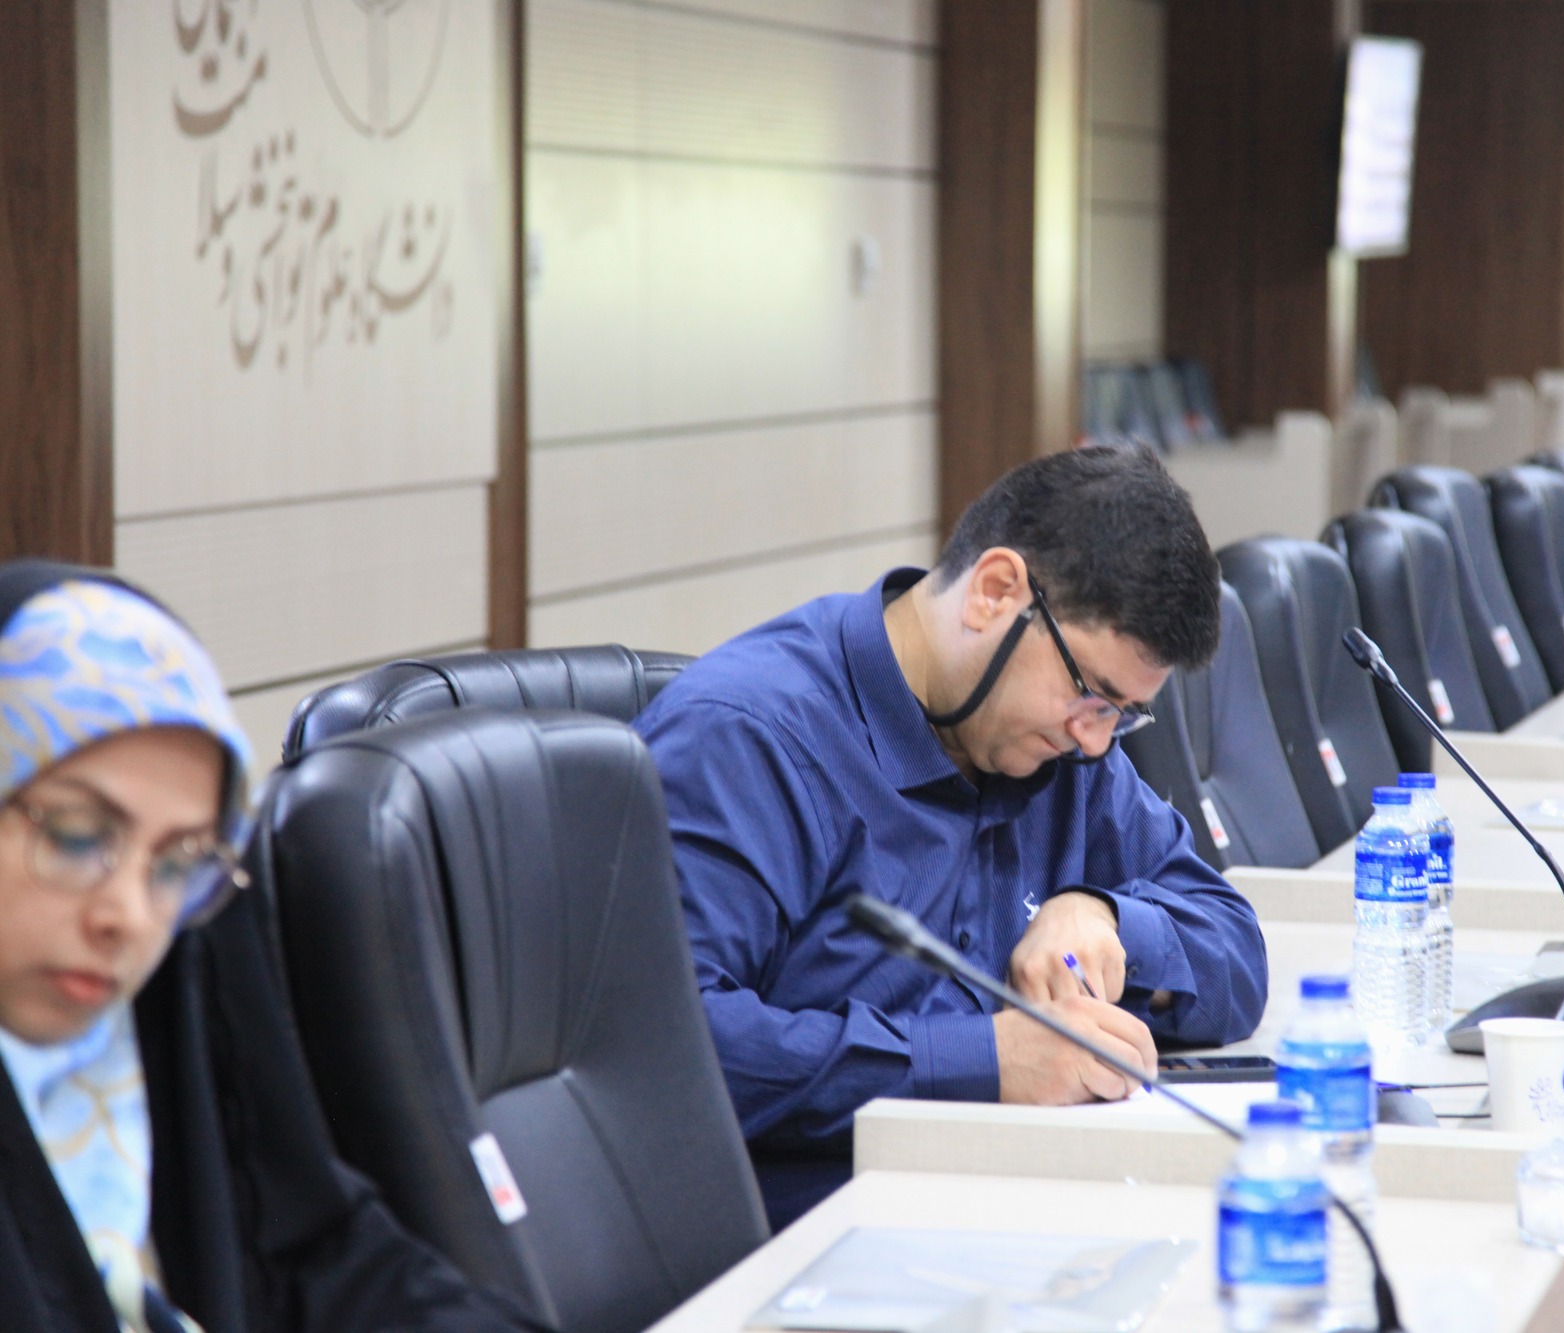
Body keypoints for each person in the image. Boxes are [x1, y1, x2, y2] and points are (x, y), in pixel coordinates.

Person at [636, 446, 1269, 1226]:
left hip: (1028, 1211)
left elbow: (1236, 948)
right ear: (997, 591)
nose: (1098, 740)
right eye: (1094, 695)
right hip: (814, 1234)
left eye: (1122, 715)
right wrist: (985, 1061)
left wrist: (1102, 915)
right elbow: (673, 1044)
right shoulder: (747, 738)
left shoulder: (1066, 752)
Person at [0, 560, 540, 1332]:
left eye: (178, 861)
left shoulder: (158, 1006)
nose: (129, 914)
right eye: (78, 835)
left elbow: (316, 1258)